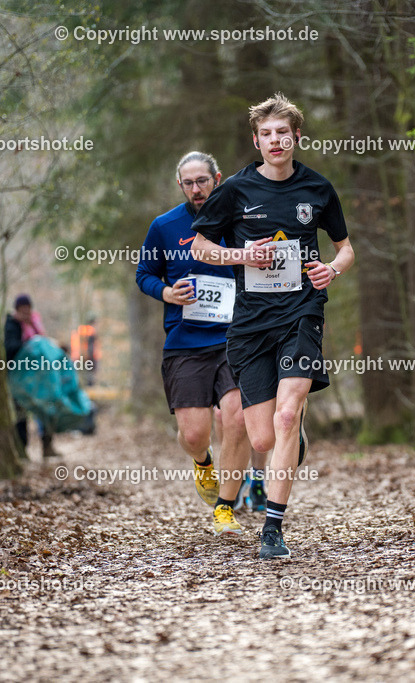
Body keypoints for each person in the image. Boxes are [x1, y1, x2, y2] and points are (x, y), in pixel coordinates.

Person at [191, 93, 354, 559]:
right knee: (262, 436)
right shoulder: (236, 190)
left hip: (302, 312)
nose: (276, 140)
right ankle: (291, 435)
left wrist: (333, 270)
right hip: (250, 324)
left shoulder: (318, 189)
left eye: (284, 132)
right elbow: (201, 247)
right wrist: (242, 255)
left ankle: (273, 530)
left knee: (285, 416)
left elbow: (345, 248)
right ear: (257, 141)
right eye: (267, 134)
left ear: (296, 136)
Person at [136, 151, 264, 535]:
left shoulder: (240, 219)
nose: (196, 189)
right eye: (189, 182)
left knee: (237, 416)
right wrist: (166, 292)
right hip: (185, 342)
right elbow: (144, 274)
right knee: (194, 435)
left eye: (203, 181)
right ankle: (203, 463)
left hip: (234, 337)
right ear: (180, 185)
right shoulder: (164, 226)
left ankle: (226, 507)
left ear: (217, 179)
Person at [4, 294, 59, 458]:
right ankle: (23, 449)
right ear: (17, 310)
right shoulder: (12, 324)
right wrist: (29, 346)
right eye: (23, 310)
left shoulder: (35, 322)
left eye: (28, 309)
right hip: (20, 378)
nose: (26, 313)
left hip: (39, 377)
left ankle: (47, 446)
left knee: (46, 410)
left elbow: (43, 343)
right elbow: (10, 348)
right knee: (21, 415)